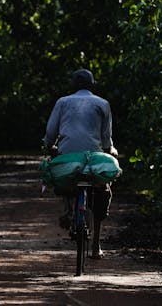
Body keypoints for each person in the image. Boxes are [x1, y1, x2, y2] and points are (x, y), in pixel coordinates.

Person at [43, 68, 118, 259]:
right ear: (92, 85)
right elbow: (106, 139)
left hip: (67, 154)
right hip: (92, 156)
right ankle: (96, 245)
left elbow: (51, 132)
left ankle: (68, 208)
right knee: (102, 191)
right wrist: (109, 151)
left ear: (73, 85)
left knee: (65, 177)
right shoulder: (103, 103)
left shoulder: (63, 102)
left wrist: (48, 146)